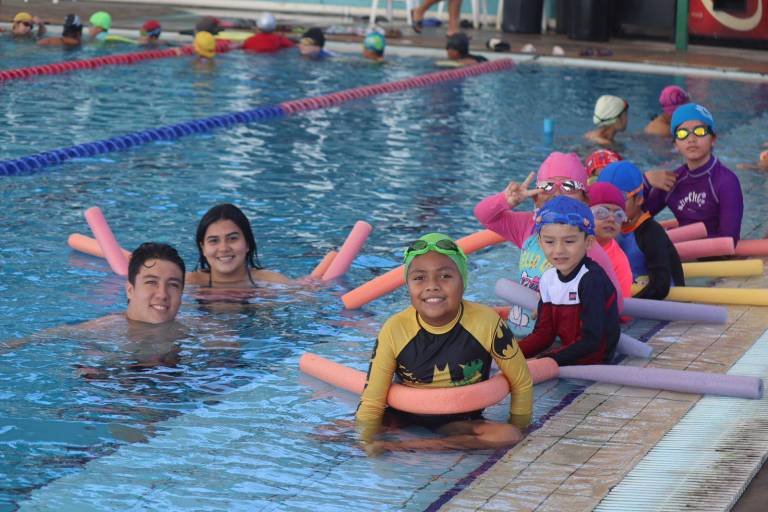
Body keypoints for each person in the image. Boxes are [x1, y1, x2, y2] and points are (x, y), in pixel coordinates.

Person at [355, 233, 533, 453]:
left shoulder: (486, 322)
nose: (432, 286)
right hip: (401, 415)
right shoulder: (395, 329)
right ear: (408, 285)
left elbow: (521, 382)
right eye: (419, 278)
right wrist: (365, 441)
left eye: (445, 276)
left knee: (508, 435)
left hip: (459, 421)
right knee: (326, 433)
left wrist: (520, 428)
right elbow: (372, 401)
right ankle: (400, 444)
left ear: (463, 281)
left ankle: (406, 446)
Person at [474, 152, 624, 339]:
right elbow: (483, 215)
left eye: (569, 186)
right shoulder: (526, 226)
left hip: (559, 340)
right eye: (547, 186)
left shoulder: (586, 245)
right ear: (536, 197)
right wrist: (507, 200)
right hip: (520, 331)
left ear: (585, 200)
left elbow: (615, 302)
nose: (557, 192)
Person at [518, 196, 620, 365]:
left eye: (569, 241)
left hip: (596, 360)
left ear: (588, 242)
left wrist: (544, 360)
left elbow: (592, 343)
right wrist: (509, 353)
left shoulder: (591, 280)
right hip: (571, 352)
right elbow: (544, 334)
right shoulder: (548, 279)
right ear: (540, 243)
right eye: (550, 242)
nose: (559, 250)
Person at [644, 103, 744, 243]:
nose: (691, 139)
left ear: (713, 139)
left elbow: (729, 239)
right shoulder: (672, 180)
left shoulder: (726, 181)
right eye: (682, 133)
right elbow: (634, 220)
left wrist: (674, 243)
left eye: (700, 131)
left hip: (714, 260)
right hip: (679, 254)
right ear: (676, 145)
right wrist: (645, 181)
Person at [597, 161, 684, 300]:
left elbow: (660, 287)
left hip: (662, 310)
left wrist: (620, 306)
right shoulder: (605, 231)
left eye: (620, 198)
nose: (612, 211)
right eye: (605, 203)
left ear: (639, 199)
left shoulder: (651, 233)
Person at [186, 203, 291, 288]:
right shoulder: (187, 284)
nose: (224, 248)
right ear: (203, 248)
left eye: (232, 238)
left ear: (248, 243)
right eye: (214, 240)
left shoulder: (272, 282)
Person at [587, 182, 633, 298]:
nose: (612, 219)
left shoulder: (619, 261)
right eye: (601, 212)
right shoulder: (566, 243)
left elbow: (623, 309)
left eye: (618, 215)